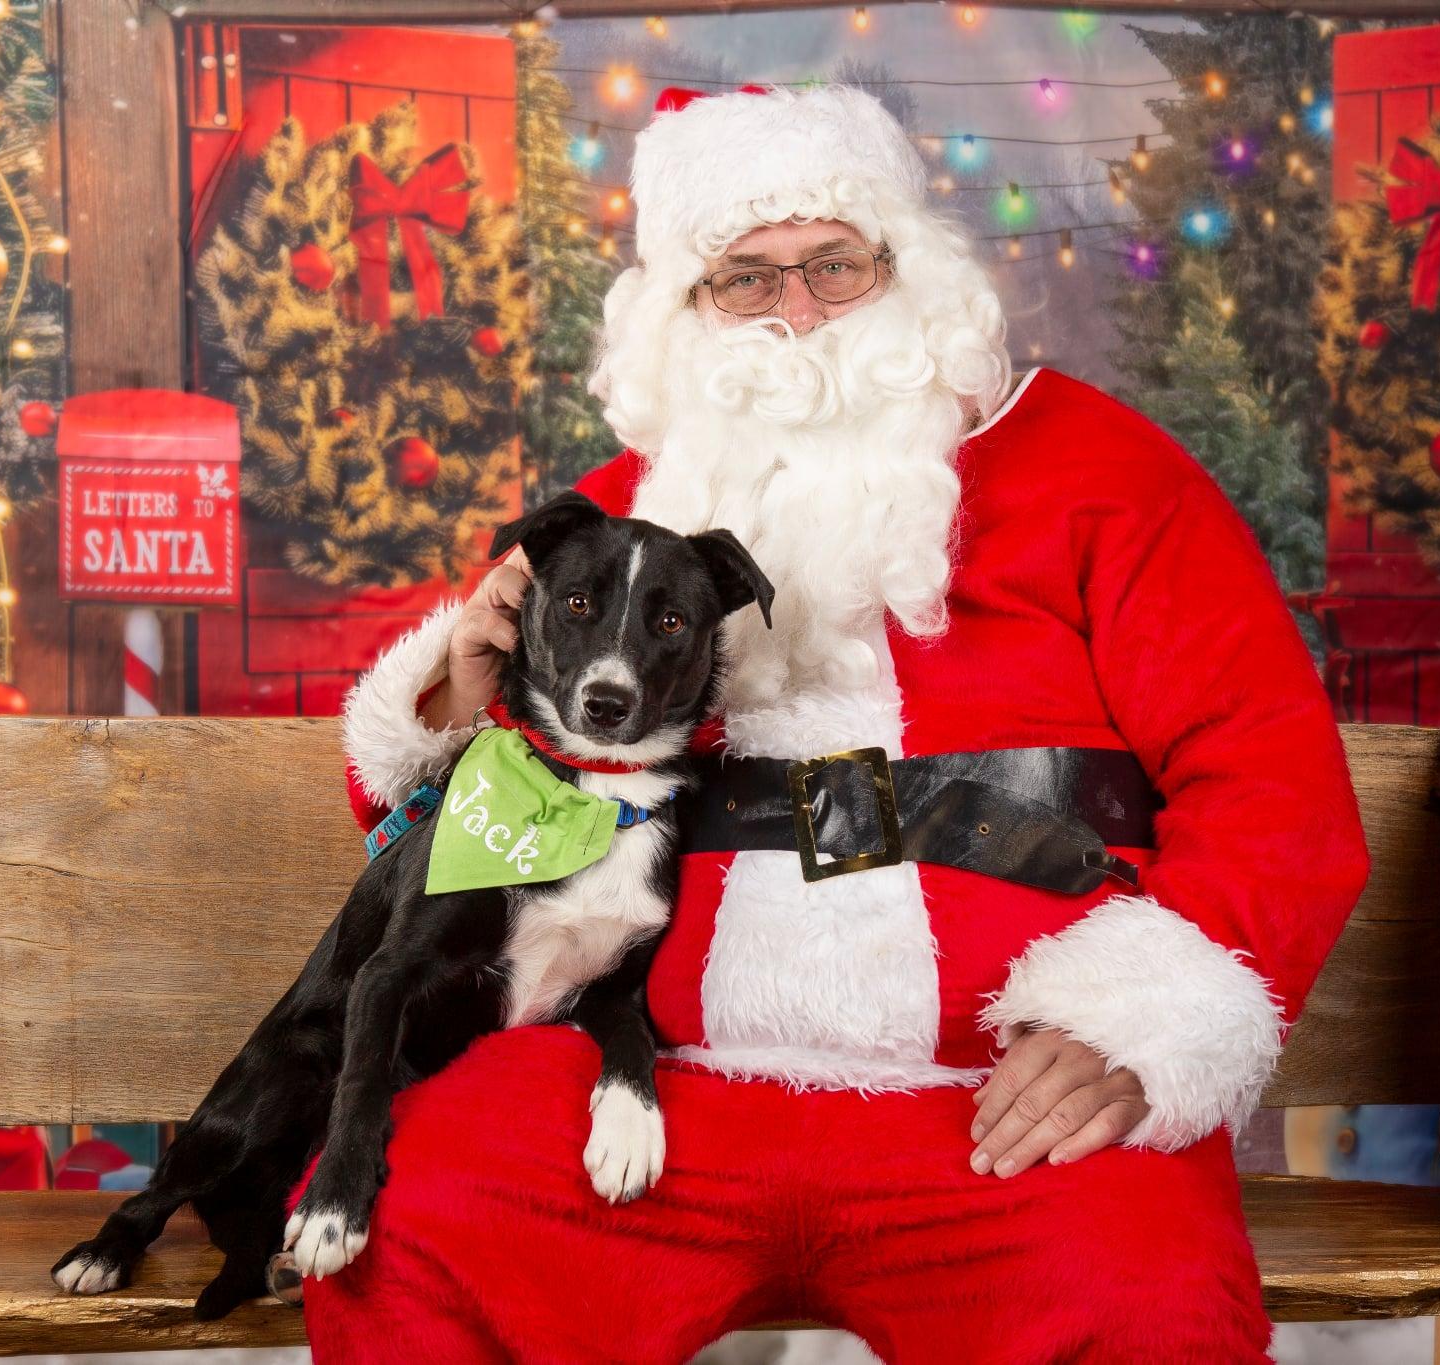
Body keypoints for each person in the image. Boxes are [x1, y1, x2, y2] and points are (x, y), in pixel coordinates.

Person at [311, 84, 1369, 1363]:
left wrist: (1136, 1027)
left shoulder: (1103, 475)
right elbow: (436, 841)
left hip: (990, 1100)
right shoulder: (614, 530)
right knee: (415, 1219)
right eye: (745, 281)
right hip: (649, 1083)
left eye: (832, 265)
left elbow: (1271, 787)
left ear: (904, 271)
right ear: (680, 312)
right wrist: (454, 708)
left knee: (1148, 1301)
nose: (797, 314)